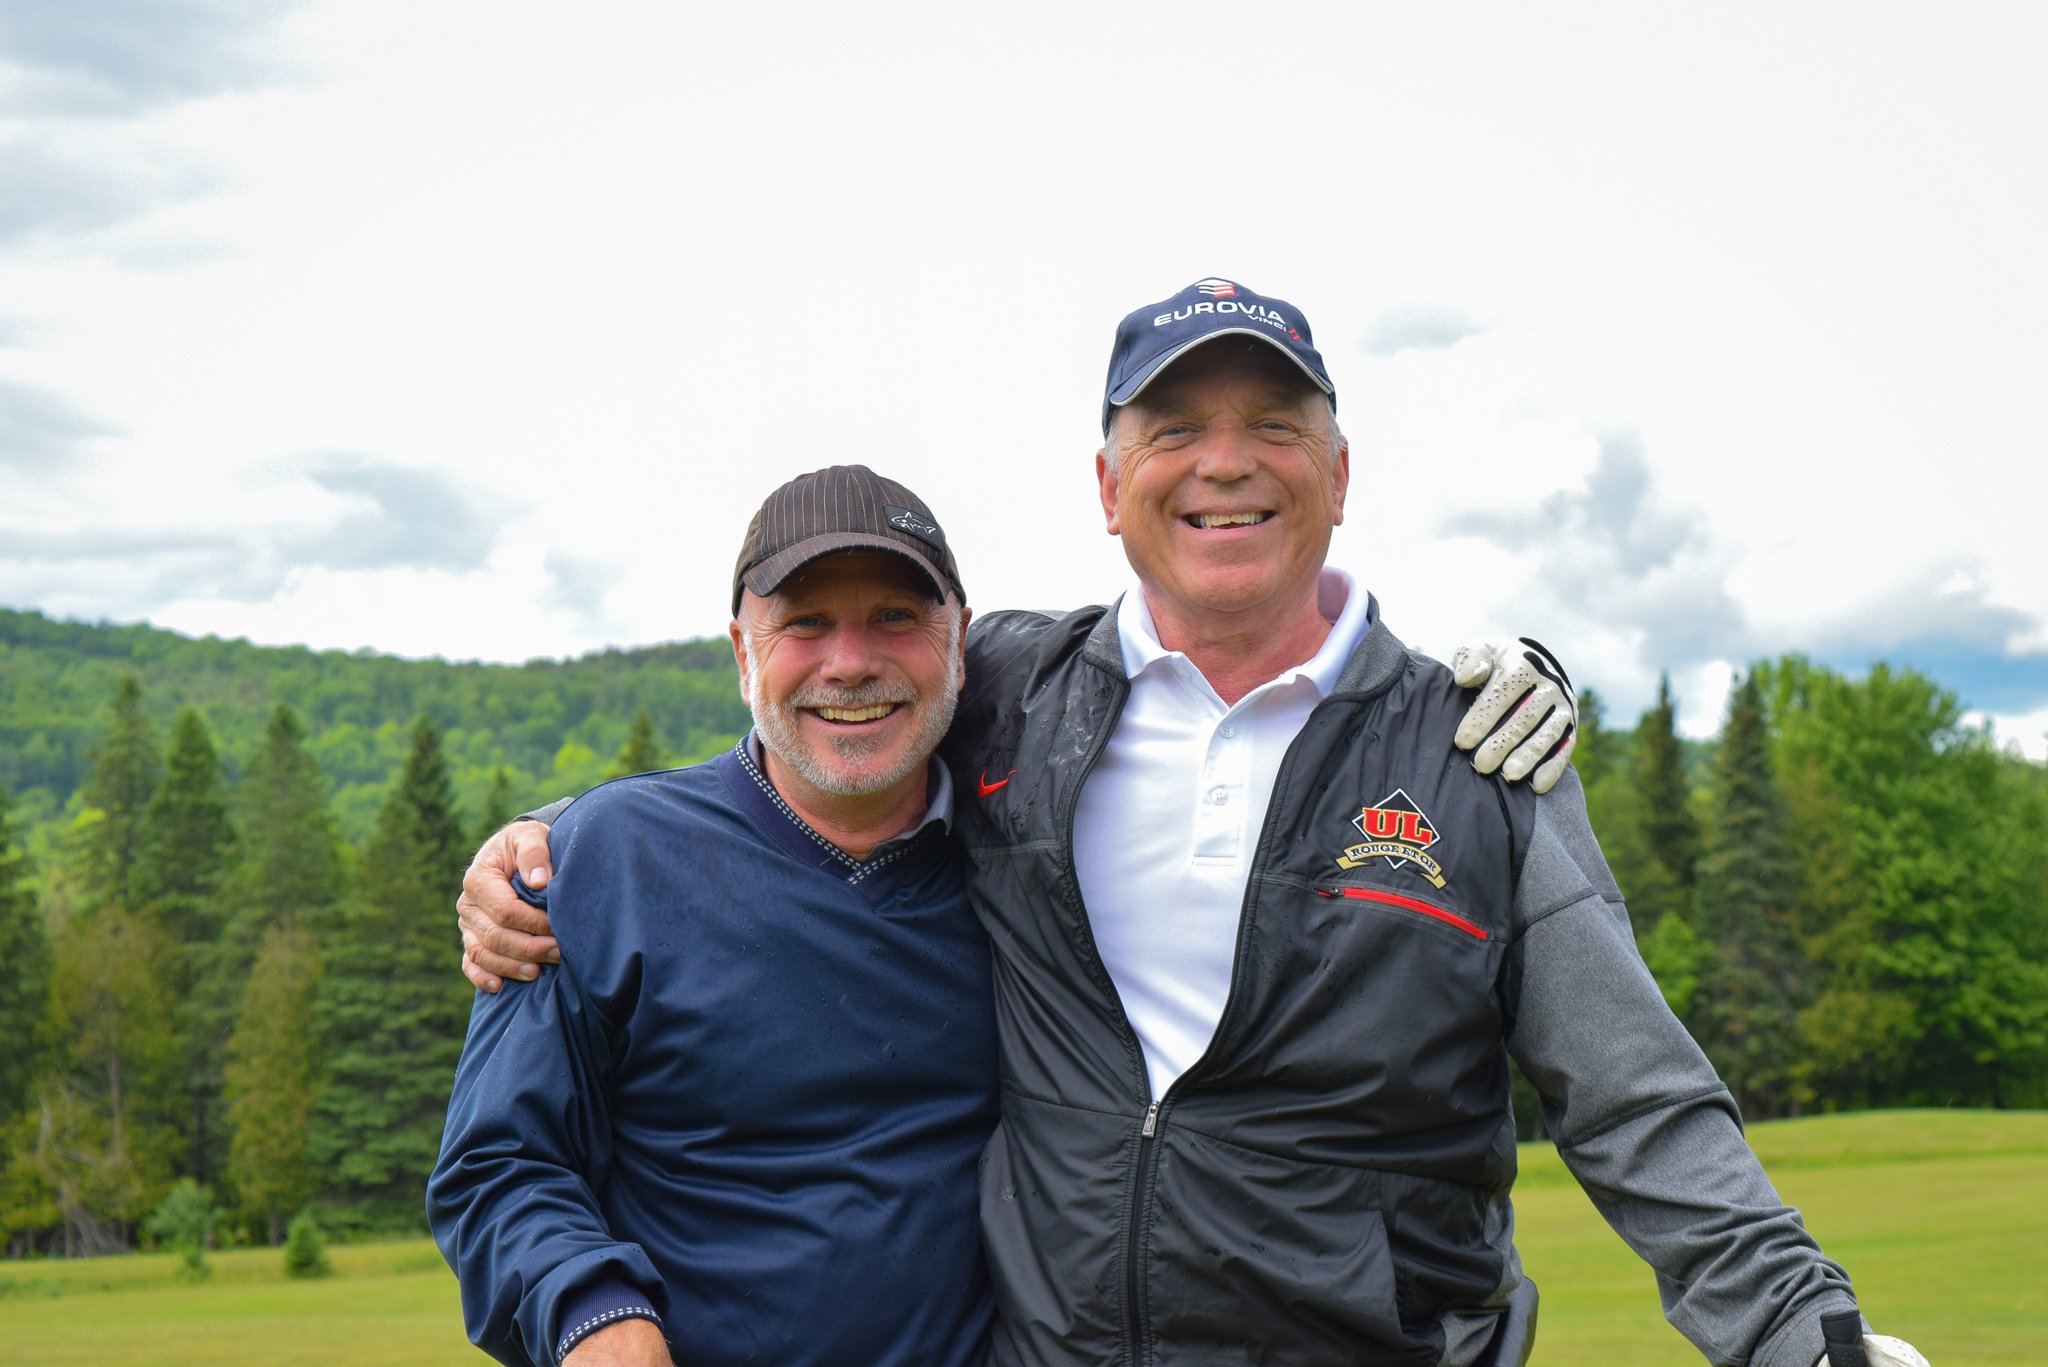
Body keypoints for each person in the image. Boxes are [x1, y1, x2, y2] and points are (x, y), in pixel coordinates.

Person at [458, 279, 1927, 1367]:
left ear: (1339, 474)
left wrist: (1807, 1334)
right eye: (1174, 428)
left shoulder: (1476, 754)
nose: (1224, 462)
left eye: (1273, 425)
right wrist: (553, 839)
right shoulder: (1018, 697)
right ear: (1108, 487)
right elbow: (807, 753)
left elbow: (1637, 1101)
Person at [429, 467, 1000, 1366]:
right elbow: (497, 1164)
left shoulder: (1034, 858)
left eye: (895, 615)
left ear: (959, 640)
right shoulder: (602, 862)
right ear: (742, 653)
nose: (850, 662)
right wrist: (593, 1308)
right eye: (806, 623)